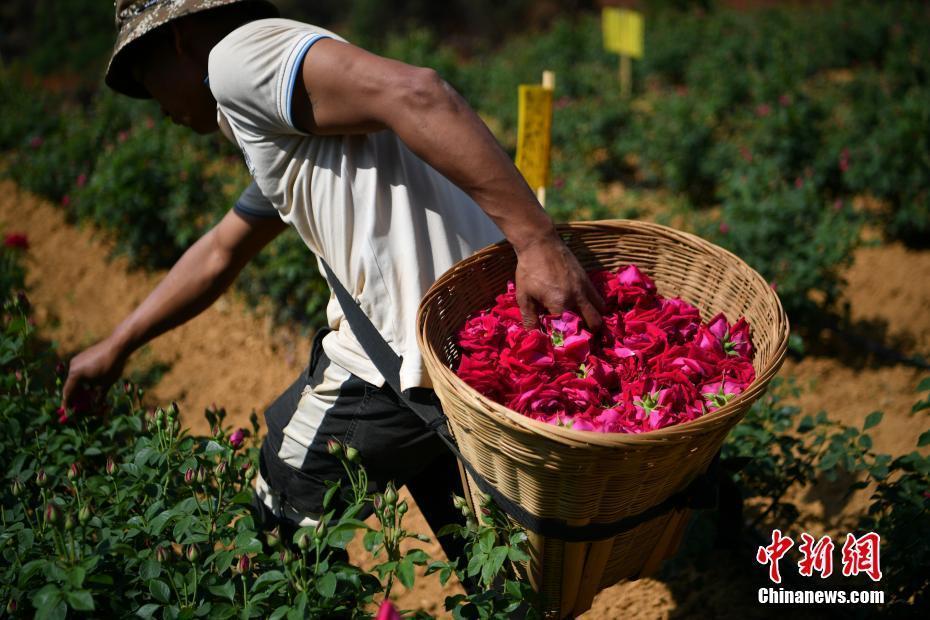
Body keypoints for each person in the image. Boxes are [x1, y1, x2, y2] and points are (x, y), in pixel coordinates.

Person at [62, 0, 604, 565]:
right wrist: (117, 344)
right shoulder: (286, 110)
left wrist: (538, 241)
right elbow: (224, 248)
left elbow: (420, 92)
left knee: (272, 536)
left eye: (144, 77)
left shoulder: (234, 60)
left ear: (176, 40)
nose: (155, 104)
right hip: (463, 359)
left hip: (396, 366)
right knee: (498, 570)